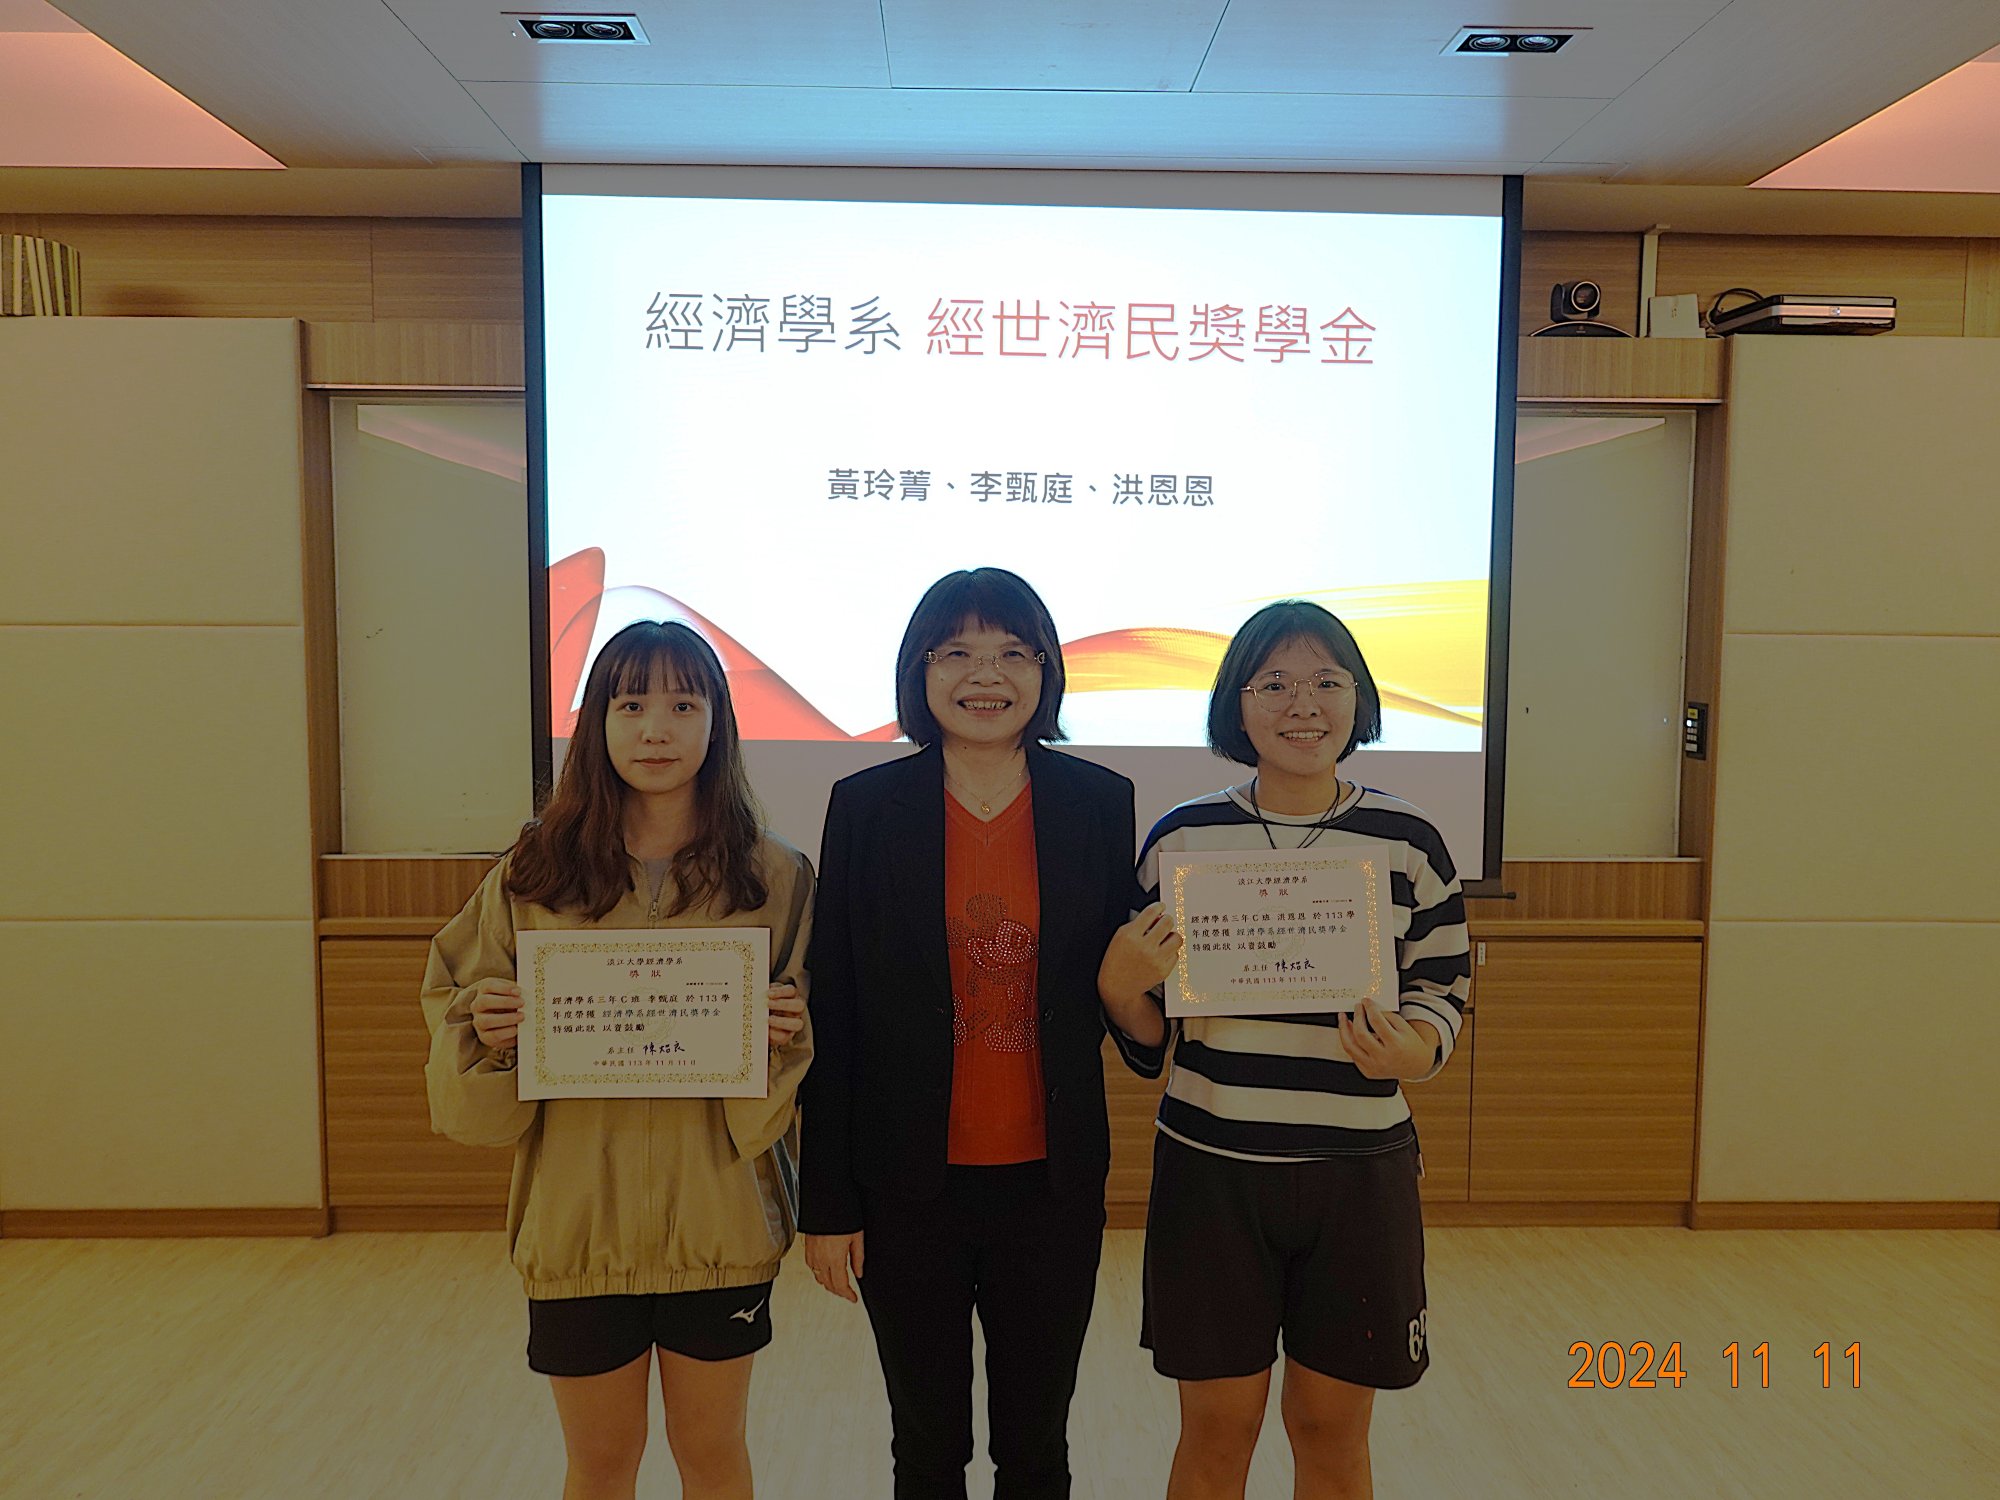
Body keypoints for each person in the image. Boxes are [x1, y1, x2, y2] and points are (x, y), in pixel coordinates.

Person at [419, 619, 813, 1500]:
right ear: (596, 721)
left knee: (713, 1453)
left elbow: (804, 1053)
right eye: (631, 705)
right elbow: (455, 1013)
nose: (656, 729)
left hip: (719, 1224)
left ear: (718, 723)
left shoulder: (774, 875)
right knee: (599, 1464)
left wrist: (787, 1028)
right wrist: (488, 1024)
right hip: (577, 1224)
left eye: (683, 705)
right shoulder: (533, 872)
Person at [798, 567, 1168, 1500]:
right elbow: (835, 1008)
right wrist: (827, 1204)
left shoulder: (1098, 802)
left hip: (1051, 1182)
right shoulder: (866, 806)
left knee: (1037, 1447)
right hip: (904, 1185)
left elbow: (1119, 991)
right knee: (925, 1447)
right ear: (919, 672)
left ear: (1046, 671)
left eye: (1012, 652)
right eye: (956, 652)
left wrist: (1136, 998)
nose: (984, 675)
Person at [1101, 600, 1471, 1500]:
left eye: (1326, 682)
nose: (1302, 704)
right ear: (1236, 704)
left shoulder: (1410, 841)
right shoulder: (1182, 838)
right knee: (1216, 1429)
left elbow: (1443, 989)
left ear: (1359, 699)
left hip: (1359, 1174)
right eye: (1273, 684)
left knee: (1330, 1429)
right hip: (1213, 1168)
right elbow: (1152, 1027)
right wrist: (1116, 987)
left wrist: (1414, 1049)